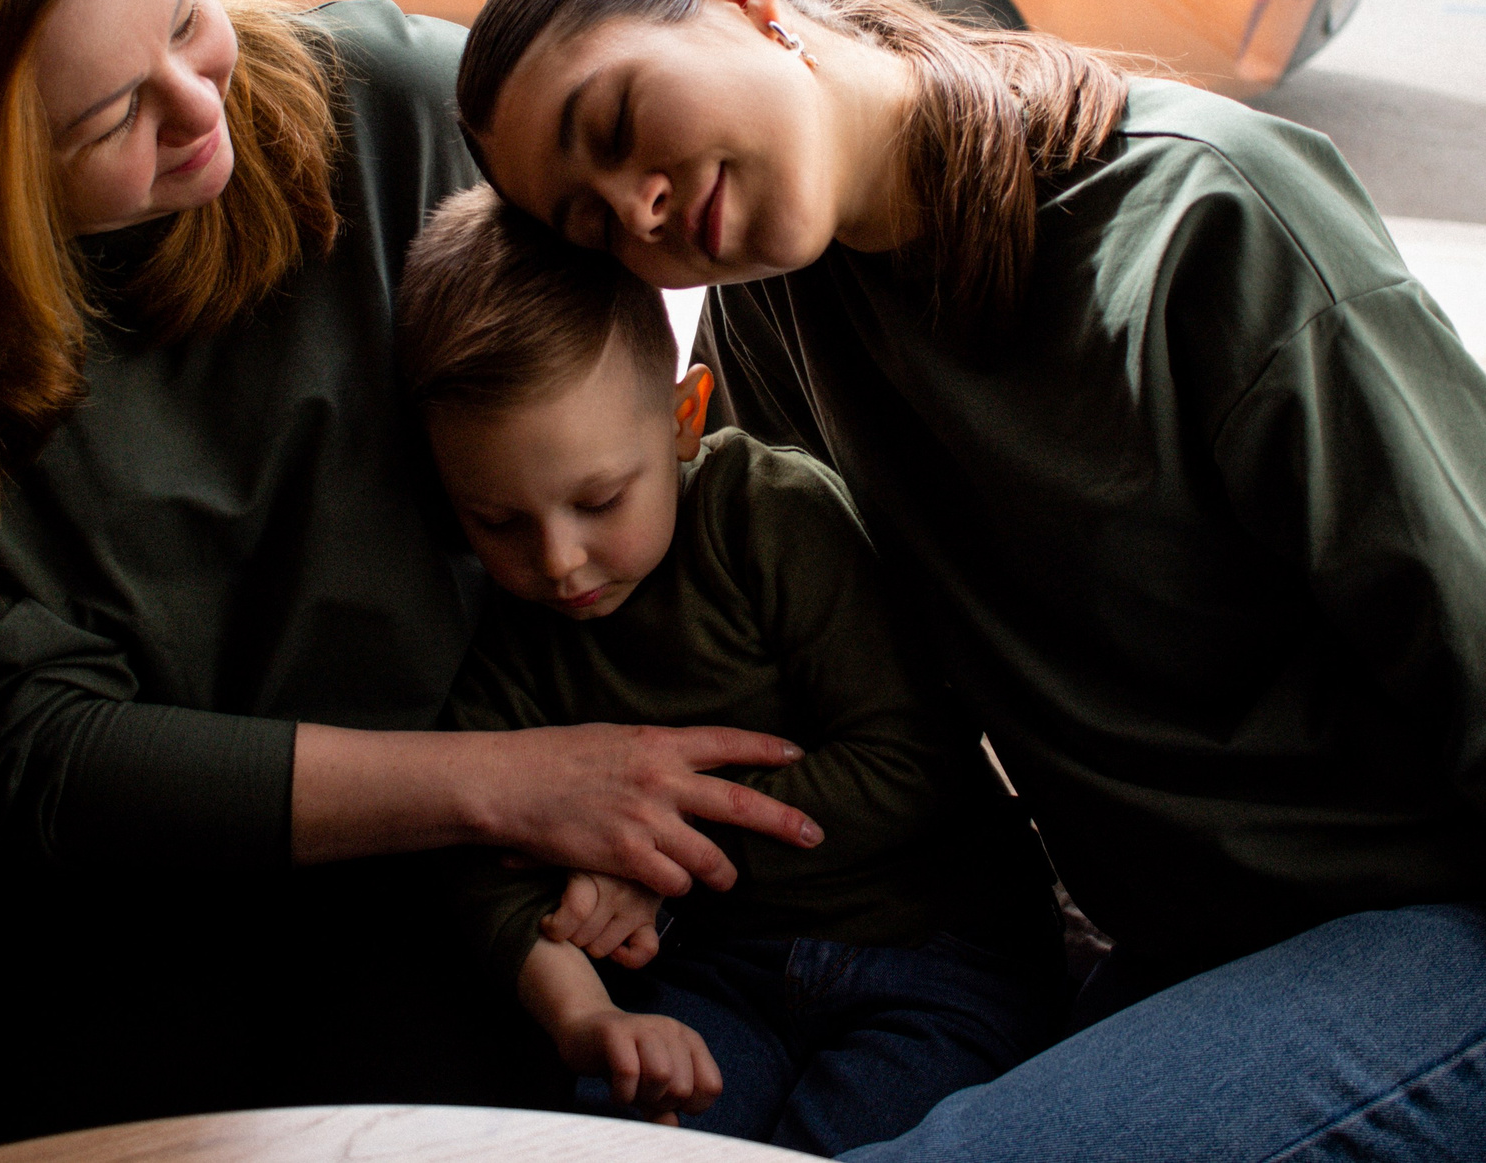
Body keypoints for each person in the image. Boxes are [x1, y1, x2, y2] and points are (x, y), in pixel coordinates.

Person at [453, 0, 1486, 1163]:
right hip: (1187, 951)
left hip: (1447, 937)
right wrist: (615, 867)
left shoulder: (1208, 221)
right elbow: (773, 684)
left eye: (618, 126)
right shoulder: (781, 326)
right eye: (588, 221)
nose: (641, 207)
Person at [0, 0, 821, 1158]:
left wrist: (586, 796)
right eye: (111, 113)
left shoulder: (393, 115)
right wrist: (508, 779)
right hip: (92, 927)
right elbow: (33, 762)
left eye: (180, 16)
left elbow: (639, 440)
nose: (198, 101)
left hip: (451, 896)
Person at [398, 185, 1062, 1156]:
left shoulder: (771, 515)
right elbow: (487, 869)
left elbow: (911, 761)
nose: (558, 562)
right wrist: (589, 1020)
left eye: (599, 499)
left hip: (935, 948)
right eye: (497, 520)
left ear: (682, 417)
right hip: (711, 977)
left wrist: (653, 861)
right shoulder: (501, 623)